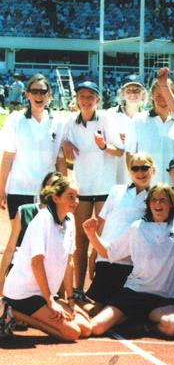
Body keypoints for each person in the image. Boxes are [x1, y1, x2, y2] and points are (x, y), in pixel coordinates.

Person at [85, 183, 174, 338]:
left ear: (170, 204)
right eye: (154, 200)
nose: (158, 203)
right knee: (96, 328)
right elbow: (108, 252)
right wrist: (91, 234)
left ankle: (143, 325)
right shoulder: (137, 228)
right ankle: (128, 318)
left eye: (163, 200)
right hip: (133, 293)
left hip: (163, 299)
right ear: (148, 205)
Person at [1, 177, 93, 341]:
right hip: (24, 293)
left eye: (77, 196)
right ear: (55, 198)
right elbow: (36, 264)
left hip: (44, 293)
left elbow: (69, 263)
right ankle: (13, 311)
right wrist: (51, 302)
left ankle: (25, 312)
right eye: (70, 196)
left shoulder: (70, 220)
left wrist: (70, 300)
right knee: (72, 333)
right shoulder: (43, 219)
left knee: (86, 328)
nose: (76, 201)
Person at [63, 81, 125, 303]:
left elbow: (119, 151)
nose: (86, 100)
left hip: (104, 189)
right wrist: (65, 144)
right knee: (80, 239)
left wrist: (103, 146)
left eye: (91, 96)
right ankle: (78, 288)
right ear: (77, 99)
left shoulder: (107, 119)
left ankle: (99, 289)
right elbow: (63, 145)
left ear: (98, 99)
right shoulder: (70, 121)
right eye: (82, 96)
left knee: (101, 240)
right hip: (82, 187)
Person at [82, 153, 156, 316]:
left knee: (123, 312)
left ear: (153, 170)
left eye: (144, 167)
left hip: (132, 263)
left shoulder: (155, 198)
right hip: (106, 259)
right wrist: (94, 254)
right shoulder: (116, 191)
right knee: (98, 308)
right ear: (130, 171)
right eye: (135, 168)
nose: (140, 172)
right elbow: (101, 223)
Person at [0, 74, 67, 221]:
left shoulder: (58, 122)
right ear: (27, 94)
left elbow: (60, 160)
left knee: (46, 239)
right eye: (34, 91)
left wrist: (64, 191)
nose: (39, 95)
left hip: (48, 192)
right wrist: (1, 189)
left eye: (43, 92)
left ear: (49, 95)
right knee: (20, 240)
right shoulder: (15, 120)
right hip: (19, 190)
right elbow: (7, 157)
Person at [0, 172, 63, 297]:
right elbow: (10, 248)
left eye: (58, 187)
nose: (54, 190)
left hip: (48, 273)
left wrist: (64, 294)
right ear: (44, 188)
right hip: (22, 269)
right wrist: (1, 279)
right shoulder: (25, 211)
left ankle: (11, 310)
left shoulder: (65, 218)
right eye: (51, 185)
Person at [125, 78, 174, 185]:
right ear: (152, 96)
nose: (162, 100)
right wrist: (137, 183)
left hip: (173, 188)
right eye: (158, 95)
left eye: (166, 96)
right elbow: (130, 154)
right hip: (145, 188)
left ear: (172, 97)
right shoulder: (138, 120)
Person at [106, 74, 147, 184]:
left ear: (143, 94)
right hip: (115, 173)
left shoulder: (148, 118)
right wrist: (115, 138)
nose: (133, 94)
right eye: (129, 90)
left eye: (136, 90)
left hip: (140, 175)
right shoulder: (110, 114)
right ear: (123, 93)